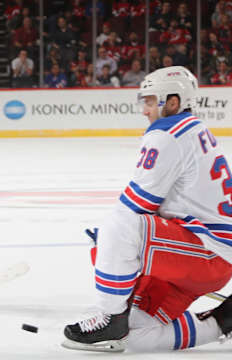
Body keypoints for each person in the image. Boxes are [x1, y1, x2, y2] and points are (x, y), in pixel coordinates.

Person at [62, 66, 232, 352]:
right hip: (200, 254)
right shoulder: (192, 129)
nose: (145, 110)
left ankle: (110, 317)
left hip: (208, 252)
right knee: (133, 334)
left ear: (173, 102)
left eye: (151, 101)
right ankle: (222, 322)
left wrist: (110, 246)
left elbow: (136, 207)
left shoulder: (168, 133)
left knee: (119, 225)